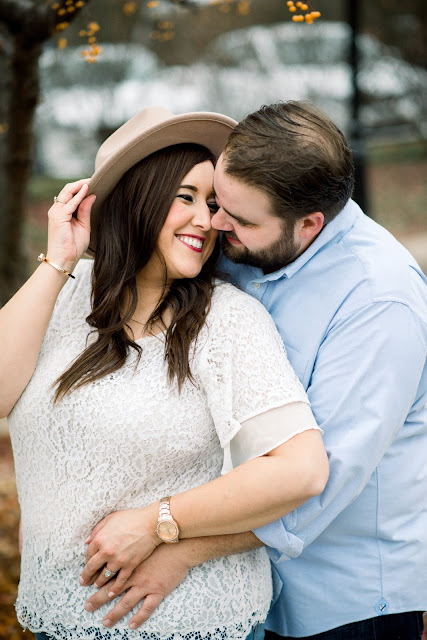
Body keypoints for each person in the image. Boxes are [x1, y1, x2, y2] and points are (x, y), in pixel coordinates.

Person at [84, 101, 426, 640]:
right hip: (246, 596)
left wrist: (175, 544)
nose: (215, 224)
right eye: (218, 202)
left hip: (347, 606)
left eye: (237, 218)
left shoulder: (379, 301)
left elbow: (321, 480)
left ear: (309, 223)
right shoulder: (255, 246)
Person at [1, 107, 329, 640]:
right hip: (56, 621)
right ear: (138, 195)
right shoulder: (61, 293)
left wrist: (158, 521)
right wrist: (58, 258)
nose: (208, 220)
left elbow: (301, 472)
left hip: (187, 621)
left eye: (216, 204)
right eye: (187, 197)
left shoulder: (226, 320)